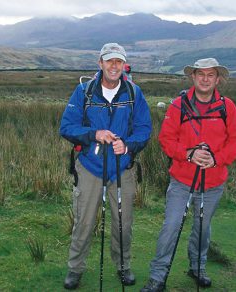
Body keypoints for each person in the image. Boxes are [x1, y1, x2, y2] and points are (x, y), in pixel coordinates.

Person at [141, 58, 236, 291]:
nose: (205, 79)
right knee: (171, 226)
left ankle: (197, 268)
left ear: (217, 79)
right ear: (193, 77)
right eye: (201, 74)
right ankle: (157, 277)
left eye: (211, 75)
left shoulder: (228, 107)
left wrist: (216, 158)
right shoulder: (179, 105)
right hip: (181, 181)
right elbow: (166, 140)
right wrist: (188, 154)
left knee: (202, 228)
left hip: (213, 182)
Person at [59, 42, 152, 289]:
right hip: (90, 166)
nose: (114, 66)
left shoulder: (134, 93)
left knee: (123, 223)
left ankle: (123, 267)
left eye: (118, 61)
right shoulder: (84, 92)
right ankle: (75, 269)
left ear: (124, 65)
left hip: (123, 168)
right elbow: (67, 127)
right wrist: (94, 134)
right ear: (100, 63)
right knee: (84, 222)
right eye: (109, 60)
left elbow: (144, 129)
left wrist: (129, 146)